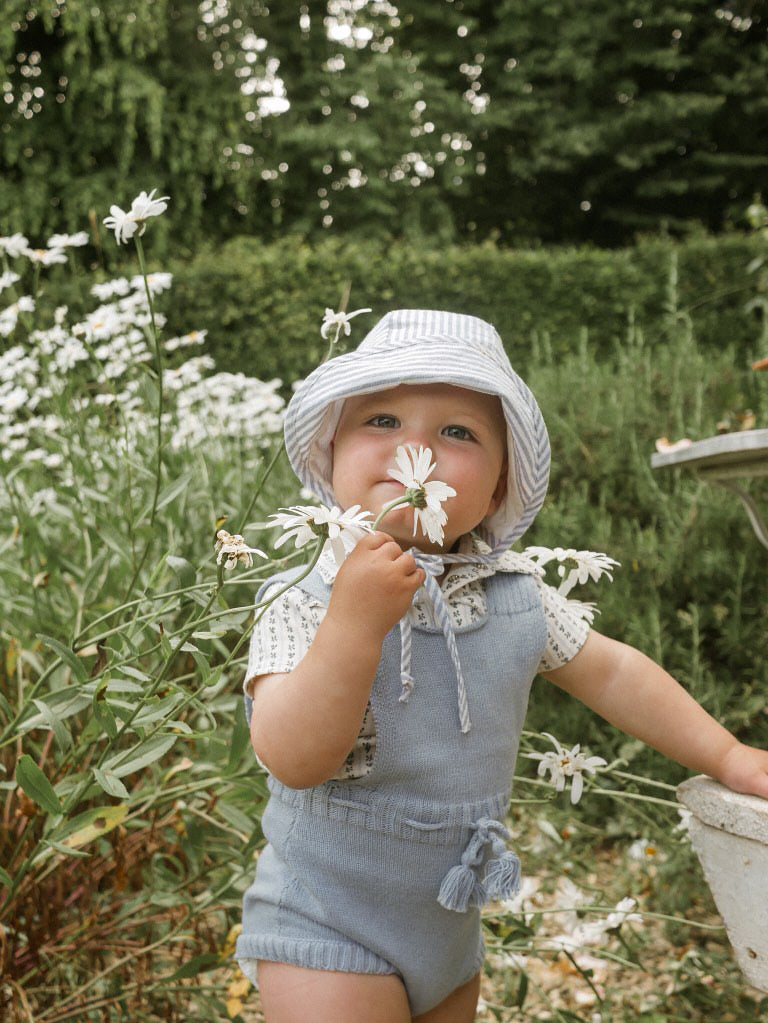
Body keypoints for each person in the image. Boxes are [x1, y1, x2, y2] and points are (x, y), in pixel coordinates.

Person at [236, 309, 768, 1023]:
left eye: (457, 432)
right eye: (382, 419)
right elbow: (292, 756)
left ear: (495, 491)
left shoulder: (513, 595)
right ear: (330, 457)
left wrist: (728, 755)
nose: (414, 447)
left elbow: (613, 674)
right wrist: (354, 626)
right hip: (326, 920)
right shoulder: (303, 596)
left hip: (449, 923)